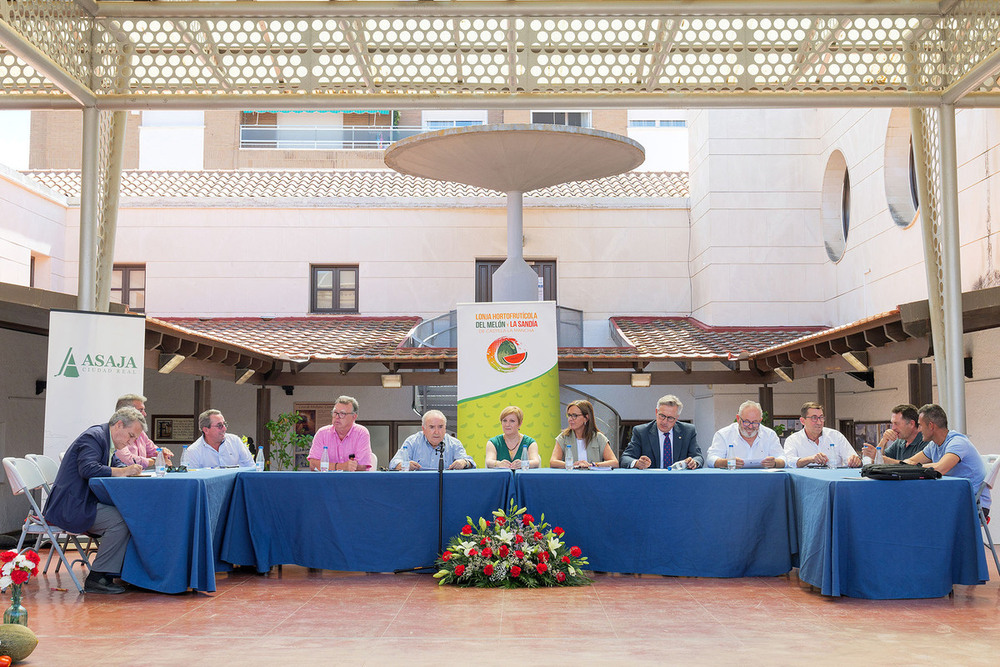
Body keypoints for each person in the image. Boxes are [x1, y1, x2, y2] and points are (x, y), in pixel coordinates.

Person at [44, 407, 145, 594]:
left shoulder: (106, 438)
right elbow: (88, 469)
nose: (131, 442)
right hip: (70, 506)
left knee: (127, 515)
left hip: (82, 502)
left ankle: (118, 573)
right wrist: (124, 472)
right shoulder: (94, 436)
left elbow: (112, 464)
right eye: (130, 436)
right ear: (119, 425)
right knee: (121, 519)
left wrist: (127, 468)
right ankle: (98, 578)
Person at [904, 403, 991, 515]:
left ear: (931, 426)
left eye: (920, 425)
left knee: (918, 512)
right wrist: (883, 459)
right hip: (953, 499)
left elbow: (940, 468)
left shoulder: (957, 442)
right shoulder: (933, 445)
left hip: (972, 504)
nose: (918, 430)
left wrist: (913, 467)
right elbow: (909, 462)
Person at [621, 395, 701, 469]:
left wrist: (694, 462)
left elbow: (698, 457)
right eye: (662, 416)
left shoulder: (688, 431)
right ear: (656, 412)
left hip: (679, 479)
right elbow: (625, 459)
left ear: (676, 418)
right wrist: (637, 463)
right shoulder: (641, 432)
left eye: (670, 418)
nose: (664, 421)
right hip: (651, 480)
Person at [707, 400, 785, 468]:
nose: (750, 427)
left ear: (760, 420)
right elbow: (711, 459)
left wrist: (775, 463)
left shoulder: (770, 435)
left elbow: (783, 459)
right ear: (738, 419)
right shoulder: (723, 434)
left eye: (755, 422)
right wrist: (726, 462)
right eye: (746, 422)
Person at [783, 402, 861, 468]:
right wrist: (810, 459)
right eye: (814, 418)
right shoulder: (793, 440)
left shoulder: (835, 436)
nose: (819, 422)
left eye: (821, 417)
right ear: (803, 421)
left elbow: (852, 458)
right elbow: (789, 463)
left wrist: (855, 461)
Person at [389, 410, 475, 470]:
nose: (436, 432)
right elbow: (393, 463)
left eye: (440, 427)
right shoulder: (412, 441)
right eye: (432, 427)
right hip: (417, 487)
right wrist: (405, 465)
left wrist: (464, 463)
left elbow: (471, 463)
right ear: (424, 429)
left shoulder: (454, 443)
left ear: (445, 428)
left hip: (446, 488)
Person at [306, 397, 373, 471]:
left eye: (342, 413)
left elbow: (362, 466)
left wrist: (330, 466)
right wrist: (342, 467)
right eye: (335, 413)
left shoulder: (361, 433)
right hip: (327, 481)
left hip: (353, 481)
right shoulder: (322, 433)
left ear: (354, 417)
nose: (337, 417)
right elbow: (313, 465)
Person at [550, 400, 619, 469]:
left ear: (586, 418)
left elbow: (614, 463)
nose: (570, 419)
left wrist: (592, 465)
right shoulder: (563, 437)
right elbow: (553, 462)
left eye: (574, 416)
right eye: (569, 415)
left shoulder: (598, 437)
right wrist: (573, 465)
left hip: (593, 478)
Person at [110, 393, 173, 468]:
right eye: (140, 410)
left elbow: (154, 451)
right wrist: (153, 461)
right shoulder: (116, 433)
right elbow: (127, 460)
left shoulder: (141, 434)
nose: (145, 414)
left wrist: (162, 453)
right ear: (126, 412)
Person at [186, 409, 255, 469]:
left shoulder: (235, 441)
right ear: (206, 430)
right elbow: (191, 479)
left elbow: (251, 467)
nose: (225, 428)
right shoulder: (193, 451)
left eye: (224, 424)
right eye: (219, 426)